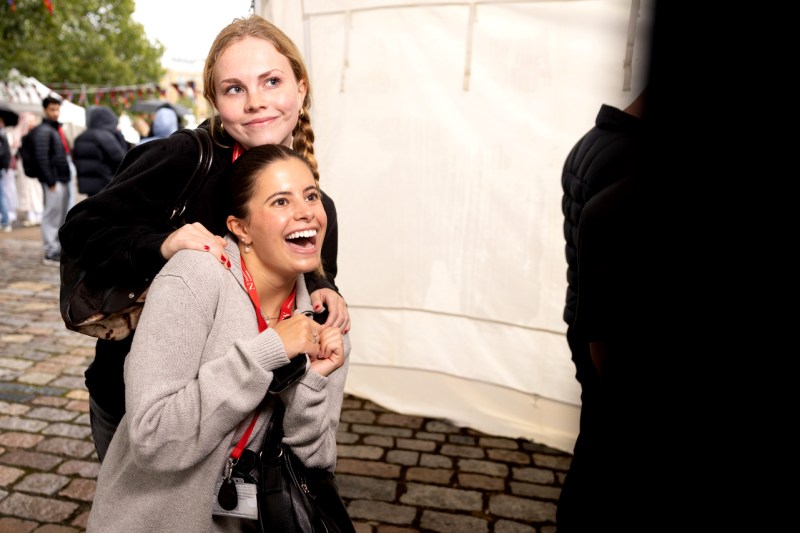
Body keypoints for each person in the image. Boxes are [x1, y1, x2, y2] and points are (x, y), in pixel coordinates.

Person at [59, 14, 350, 463]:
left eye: (271, 81)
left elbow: (303, 277)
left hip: (247, 412)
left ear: (301, 88)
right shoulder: (185, 159)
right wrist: (162, 244)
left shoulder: (318, 206)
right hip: (145, 408)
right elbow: (80, 230)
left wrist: (326, 290)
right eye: (235, 89)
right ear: (215, 100)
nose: (256, 102)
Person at [86, 144, 350, 531]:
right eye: (280, 201)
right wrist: (270, 352)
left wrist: (312, 382)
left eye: (311, 195)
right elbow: (153, 439)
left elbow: (316, 460)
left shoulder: (326, 320)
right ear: (241, 227)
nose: (306, 210)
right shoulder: (195, 278)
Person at [556, 88, 646, 531]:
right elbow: (611, 274)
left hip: (586, 326)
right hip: (604, 342)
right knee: (604, 470)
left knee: (594, 453)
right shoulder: (627, 157)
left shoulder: (594, 141)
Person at [32, 96, 72, 265]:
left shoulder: (54, 129)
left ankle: (56, 248)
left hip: (60, 178)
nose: (55, 113)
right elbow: (41, 158)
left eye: (57, 109)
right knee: (52, 214)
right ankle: (50, 251)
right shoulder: (43, 131)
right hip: (53, 180)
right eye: (52, 110)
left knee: (60, 214)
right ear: (45, 110)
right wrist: (50, 181)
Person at [72, 106, 129, 197]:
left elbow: (75, 160)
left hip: (88, 186)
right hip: (105, 183)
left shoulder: (80, 137)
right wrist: (119, 135)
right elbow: (120, 159)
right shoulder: (105, 136)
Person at [0, 116, 12, 232]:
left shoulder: (2, 135)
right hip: (2, 167)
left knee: (1, 195)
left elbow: (5, 153)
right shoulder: (3, 134)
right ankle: (5, 221)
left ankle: (5, 221)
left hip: (1, 168)